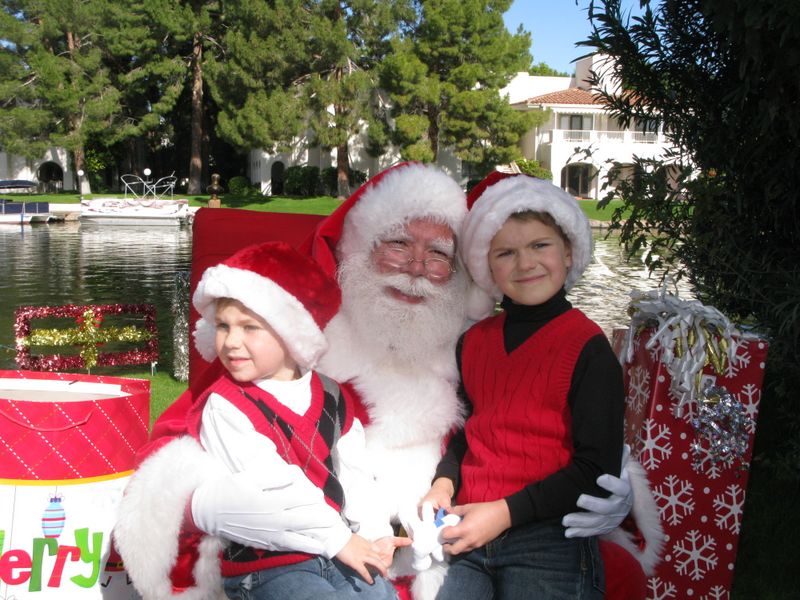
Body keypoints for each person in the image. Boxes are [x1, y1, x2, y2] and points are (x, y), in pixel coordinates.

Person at [115, 163, 659, 600]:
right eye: (398, 244)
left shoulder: (472, 340)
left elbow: (535, 424)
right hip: (330, 548)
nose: (417, 267)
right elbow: (198, 432)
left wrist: (613, 492)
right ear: (361, 249)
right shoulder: (303, 343)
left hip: (470, 537)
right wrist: (211, 500)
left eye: (439, 254)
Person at [117, 241, 409, 600]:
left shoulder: (332, 396)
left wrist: (375, 534)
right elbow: (271, 491)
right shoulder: (226, 405)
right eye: (223, 326)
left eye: (250, 327)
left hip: (335, 549)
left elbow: (357, 475)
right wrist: (340, 540)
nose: (231, 341)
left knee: (382, 596)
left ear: (291, 333)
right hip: (269, 563)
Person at [421, 171, 621, 599]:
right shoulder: (474, 341)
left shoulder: (587, 347)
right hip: (470, 530)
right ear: (486, 266)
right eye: (506, 253)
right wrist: (444, 482)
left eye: (539, 246)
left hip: (549, 534)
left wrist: (506, 513)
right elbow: (469, 431)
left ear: (568, 252)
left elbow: (597, 468)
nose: (525, 264)